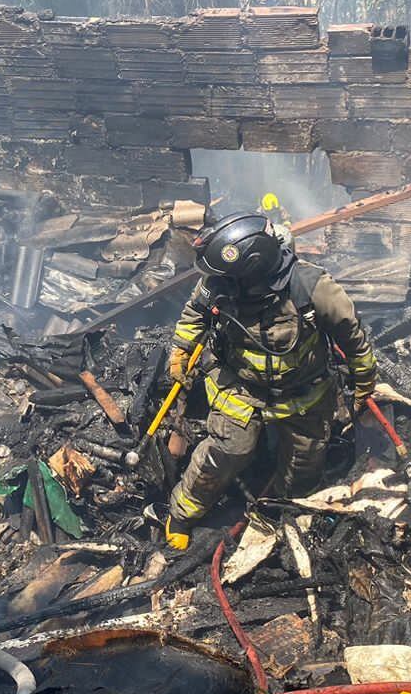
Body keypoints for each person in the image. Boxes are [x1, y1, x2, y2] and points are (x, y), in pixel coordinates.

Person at [158, 213, 377, 550]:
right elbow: (193, 315)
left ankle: (288, 512)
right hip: (239, 388)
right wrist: (181, 350)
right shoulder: (220, 282)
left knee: (305, 463)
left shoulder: (312, 288)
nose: (214, 284)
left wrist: (364, 382)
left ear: (253, 269)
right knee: (227, 451)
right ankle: (183, 514)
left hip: (305, 394)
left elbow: (353, 338)